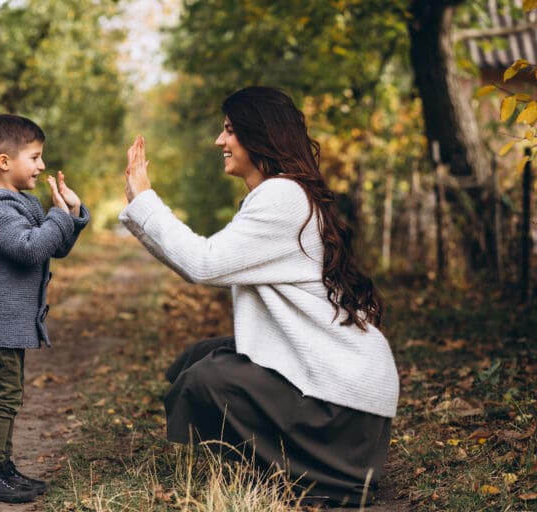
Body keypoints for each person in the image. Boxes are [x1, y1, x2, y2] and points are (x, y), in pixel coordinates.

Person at [119, 86, 399, 506]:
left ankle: (324, 478)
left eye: (230, 130)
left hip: (343, 413)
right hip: (346, 401)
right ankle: (284, 462)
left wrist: (145, 199)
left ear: (259, 135)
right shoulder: (282, 193)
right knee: (199, 357)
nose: (220, 141)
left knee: (207, 378)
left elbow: (203, 262)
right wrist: (140, 208)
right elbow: (199, 263)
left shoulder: (282, 196)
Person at [0, 113, 89, 503]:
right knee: (6, 399)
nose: (42, 165)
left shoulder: (24, 203)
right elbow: (31, 248)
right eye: (34, 157)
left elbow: (57, 246)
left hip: (12, 324)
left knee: (11, 396)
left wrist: (71, 212)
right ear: (5, 162)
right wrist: (55, 217)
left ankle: (2, 468)